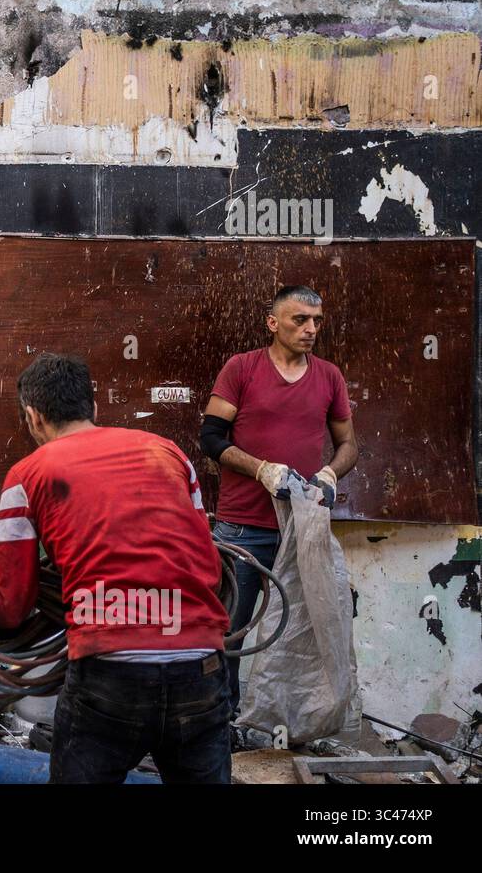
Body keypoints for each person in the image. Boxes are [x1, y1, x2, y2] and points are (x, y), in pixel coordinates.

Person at [0, 353, 231, 783]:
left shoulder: (25, 477)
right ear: (94, 409)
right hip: (201, 664)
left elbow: (13, 603)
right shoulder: (169, 454)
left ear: (33, 418)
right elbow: (210, 567)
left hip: (110, 673)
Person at [199, 285, 358, 714]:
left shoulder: (329, 376)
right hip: (242, 528)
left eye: (316, 321)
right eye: (299, 319)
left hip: (301, 529)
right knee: (228, 631)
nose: (310, 329)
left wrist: (330, 471)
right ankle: (221, 724)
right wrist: (261, 469)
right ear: (273, 323)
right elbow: (211, 438)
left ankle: (287, 723)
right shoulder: (242, 369)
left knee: (304, 631)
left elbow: (349, 445)